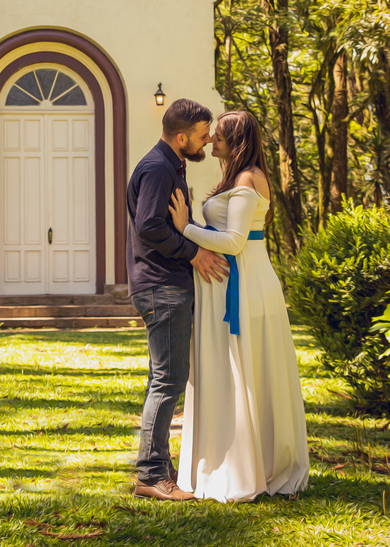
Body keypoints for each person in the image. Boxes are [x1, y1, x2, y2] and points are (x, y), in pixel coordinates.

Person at [167, 110, 310, 502]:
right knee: (231, 371)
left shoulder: (249, 179)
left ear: (237, 140)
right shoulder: (236, 177)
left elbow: (233, 242)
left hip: (244, 287)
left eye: (219, 136)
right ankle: (229, 457)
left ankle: (251, 464)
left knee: (245, 369)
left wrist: (185, 229)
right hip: (227, 284)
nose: (212, 141)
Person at [126, 98, 230, 502]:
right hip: (162, 286)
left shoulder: (171, 164)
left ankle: (159, 467)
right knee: (167, 380)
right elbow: (151, 227)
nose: (208, 141)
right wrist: (195, 253)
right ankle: (151, 475)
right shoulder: (157, 168)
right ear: (182, 136)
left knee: (162, 378)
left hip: (164, 284)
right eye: (204, 135)